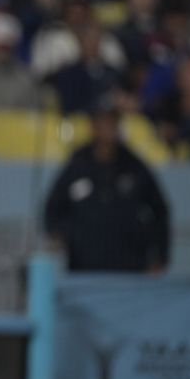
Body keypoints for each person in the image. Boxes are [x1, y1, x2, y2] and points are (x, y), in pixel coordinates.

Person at [44, 98, 170, 273]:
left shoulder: (134, 166)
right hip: (84, 265)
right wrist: (60, 235)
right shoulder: (77, 165)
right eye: (102, 121)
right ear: (93, 125)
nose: (108, 127)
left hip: (130, 266)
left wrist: (160, 257)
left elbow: (160, 210)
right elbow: (53, 208)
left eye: (112, 121)